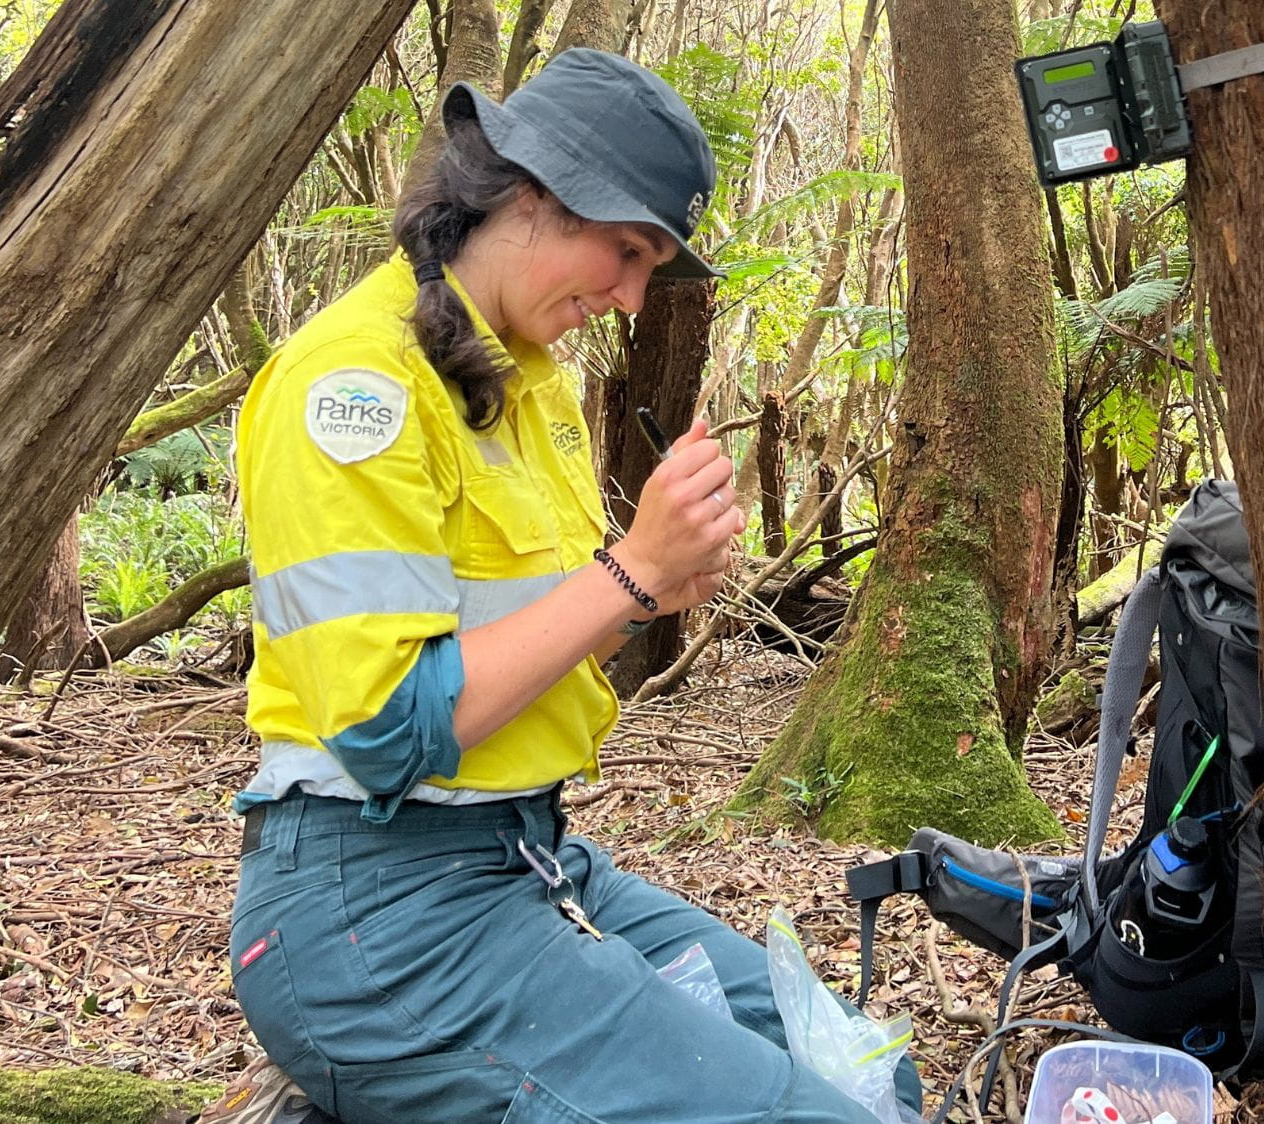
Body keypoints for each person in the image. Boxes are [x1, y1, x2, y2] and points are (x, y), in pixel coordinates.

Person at [226, 49, 922, 1123]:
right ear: (530, 192)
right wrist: (630, 571)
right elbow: (385, 730)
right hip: (377, 912)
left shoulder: (531, 382)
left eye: (654, 266)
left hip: (527, 860)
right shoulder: (354, 387)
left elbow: (538, 634)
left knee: (869, 1071)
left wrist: (655, 588)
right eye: (628, 251)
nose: (632, 296)